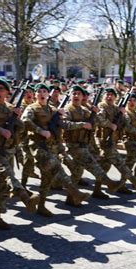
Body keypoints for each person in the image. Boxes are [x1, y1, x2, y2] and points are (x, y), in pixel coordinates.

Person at [0, 78, 40, 228]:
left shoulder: (11, 108)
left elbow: (21, 129)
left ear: (7, 93)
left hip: (8, 150)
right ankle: (26, 197)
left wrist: (17, 118)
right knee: (7, 174)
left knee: (3, 185)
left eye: (0, 89)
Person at [21, 83, 90, 214]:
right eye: (39, 91)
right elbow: (25, 121)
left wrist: (80, 124)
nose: (41, 93)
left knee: (46, 178)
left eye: (44, 91)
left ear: (47, 95)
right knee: (57, 166)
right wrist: (40, 131)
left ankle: (41, 206)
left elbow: (64, 124)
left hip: (52, 147)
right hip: (38, 146)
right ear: (36, 95)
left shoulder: (53, 109)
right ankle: (75, 193)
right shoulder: (31, 108)